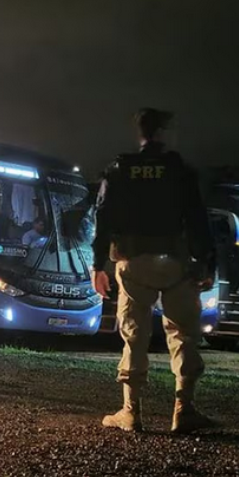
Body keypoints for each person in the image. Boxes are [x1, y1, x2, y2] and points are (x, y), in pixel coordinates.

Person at [92, 107, 216, 434]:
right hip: (176, 261)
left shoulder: (119, 169)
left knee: (134, 335)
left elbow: (101, 218)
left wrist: (97, 266)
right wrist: (207, 262)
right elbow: (198, 219)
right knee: (183, 333)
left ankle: (130, 413)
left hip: (133, 263)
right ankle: (183, 410)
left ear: (141, 134)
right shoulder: (181, 171)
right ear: (163, 133)